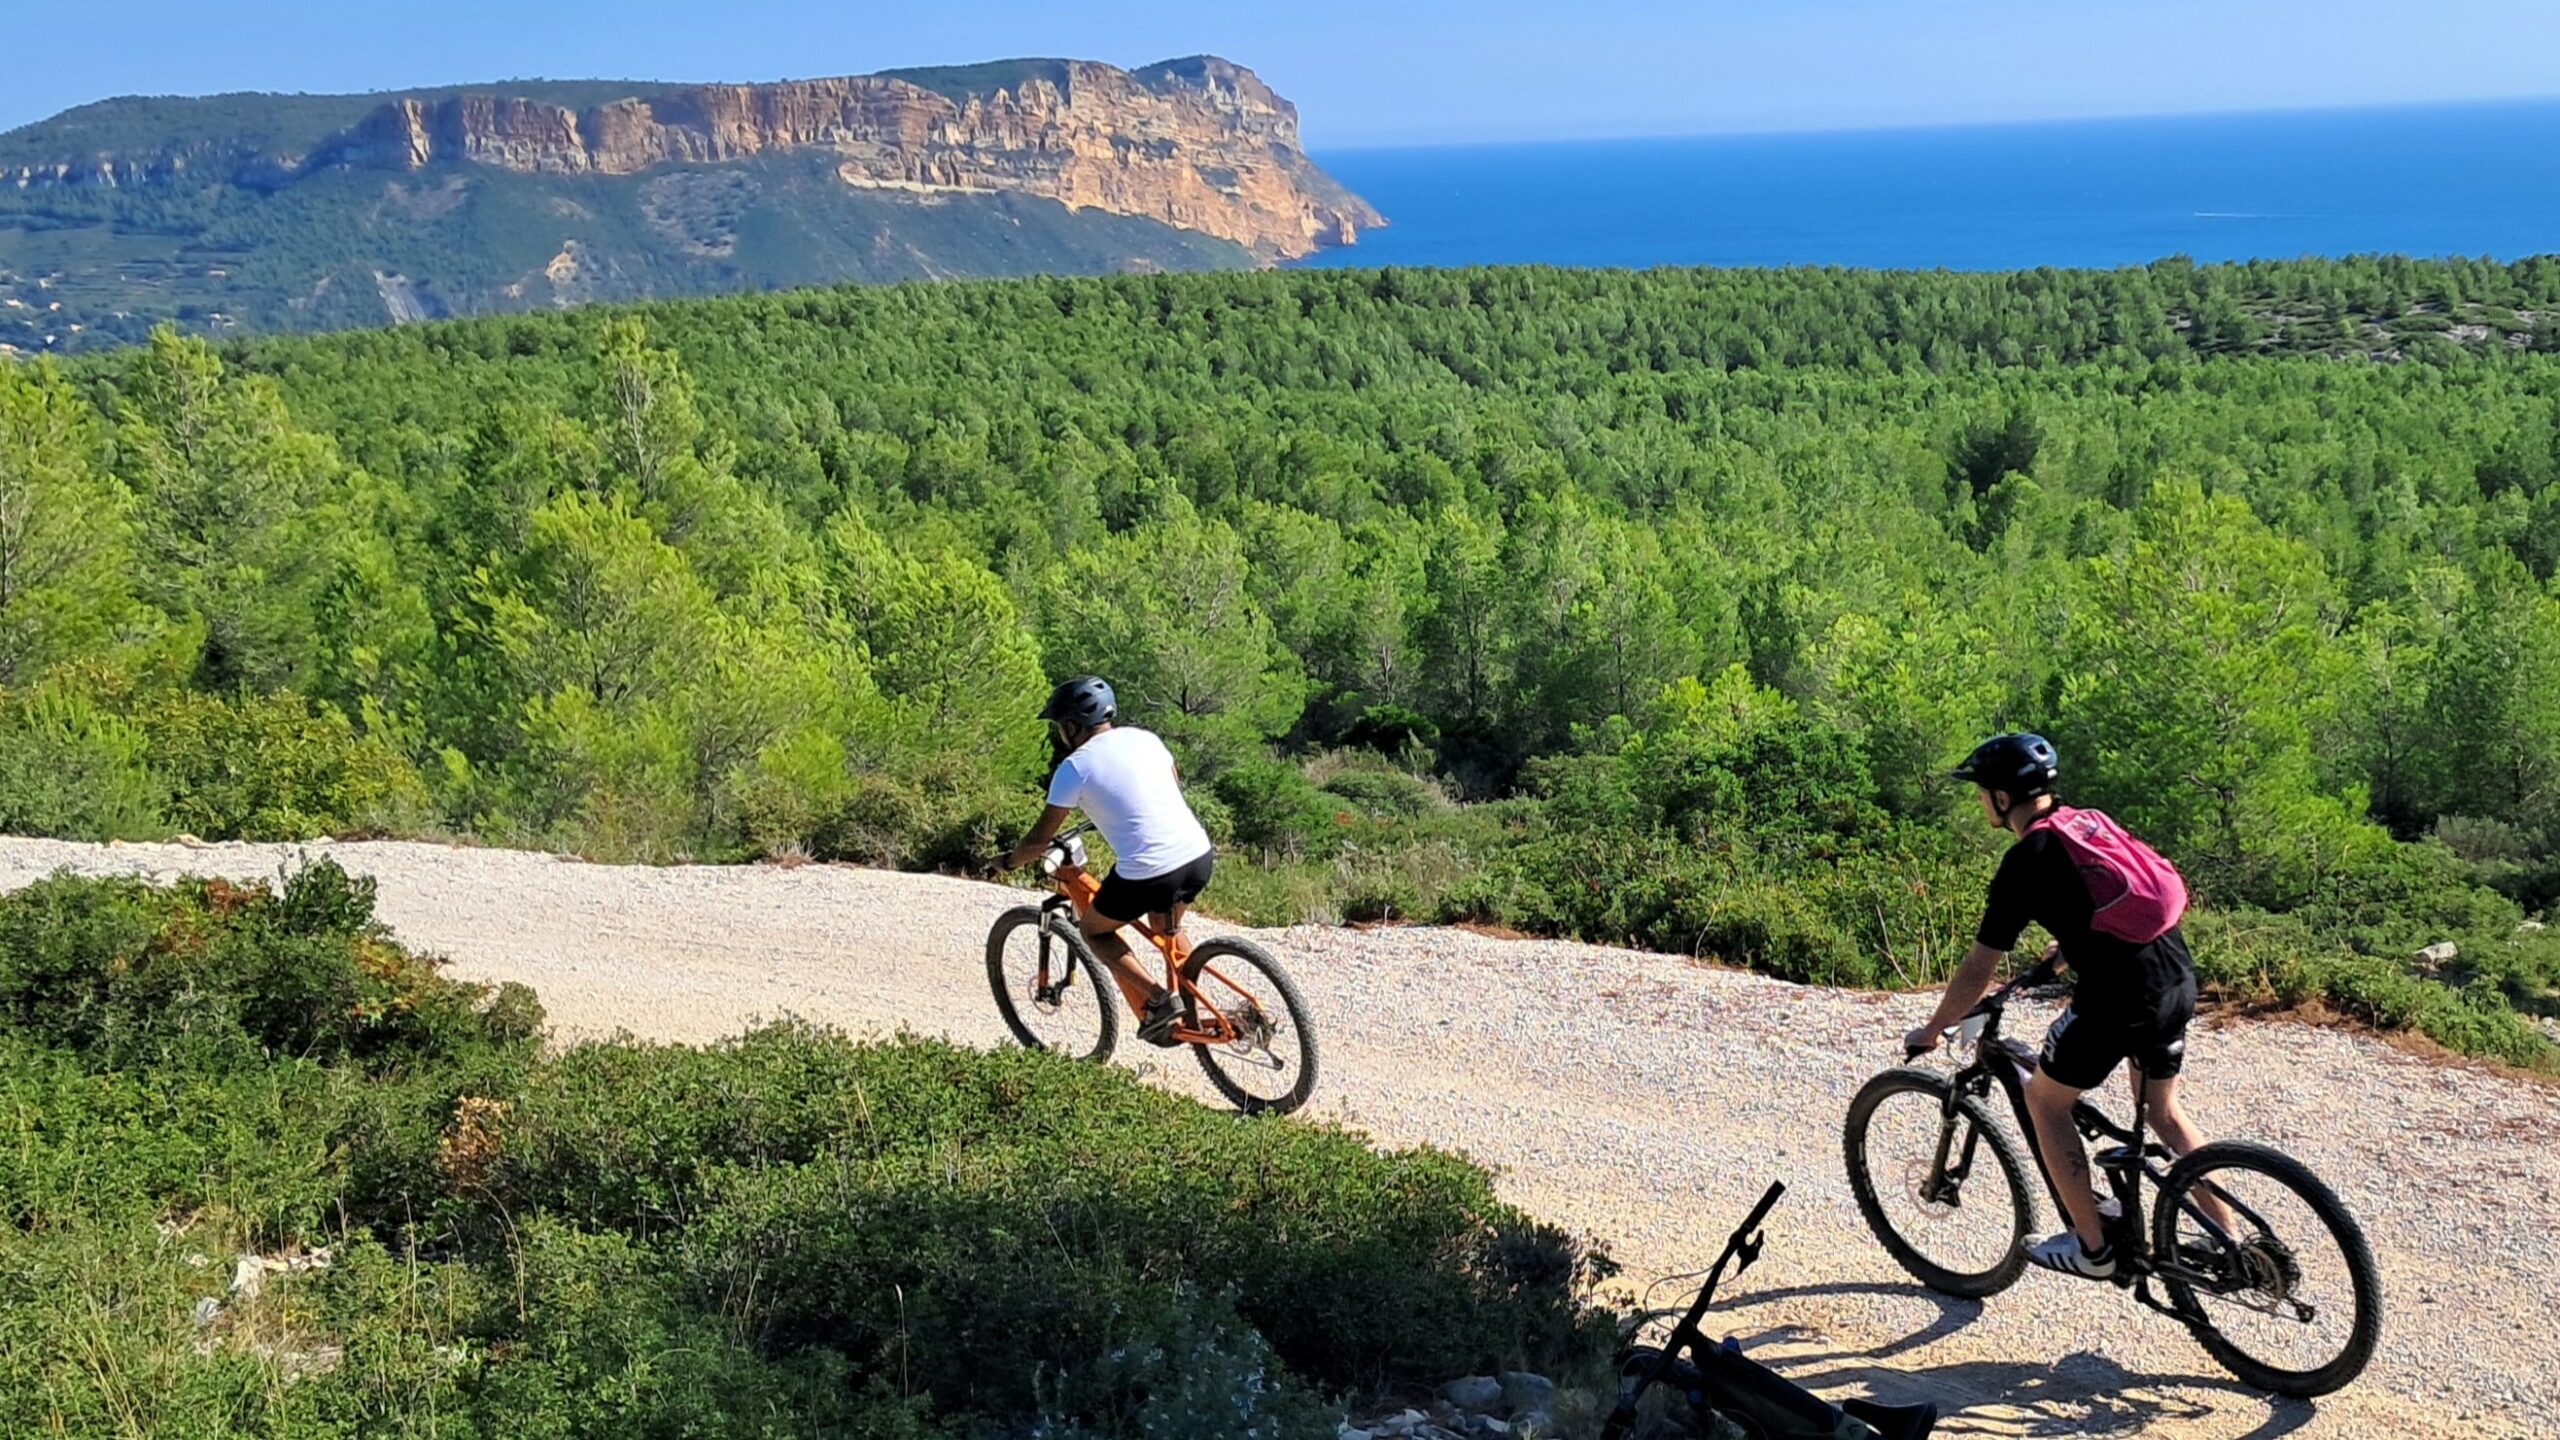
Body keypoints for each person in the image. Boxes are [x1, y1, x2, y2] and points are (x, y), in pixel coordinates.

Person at [1904, 732, 2217, 1280]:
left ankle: (2094, 1249)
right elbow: (2105, 907)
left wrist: (1934, 1029)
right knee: (2162, 1113)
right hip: (2175, 978)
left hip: (2122, 1000)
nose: (1980, 801)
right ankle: (2233, 1243)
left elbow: (1978, 967)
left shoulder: (2026, 860)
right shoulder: (2084, 822)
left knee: (2046, 1102)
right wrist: (2065, 955)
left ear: (2003, 799)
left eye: (1983, 792)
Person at [995, 675, 1216, 1046]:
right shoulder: (1147, 739)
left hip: (1150, 872)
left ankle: (1161, 1001)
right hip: (1197, 854)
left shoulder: (1074, 768)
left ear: (1071, 727)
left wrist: (1006, 862)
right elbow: (1167, 785)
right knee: (1167, 931)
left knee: (1093, 930)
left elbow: (1039, 840)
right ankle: (1198, 1012)